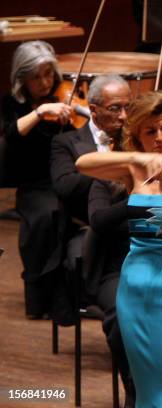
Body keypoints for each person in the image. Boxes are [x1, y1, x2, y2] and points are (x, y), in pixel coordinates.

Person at [76, 91, 162, 407]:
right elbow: (83, 163)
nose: (160, 138)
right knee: (148, 386)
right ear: (138, 135)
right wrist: (138, 158)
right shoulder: (135, 169)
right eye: (150, 131)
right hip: (135, 287)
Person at [1, 40, 73, 318]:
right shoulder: (12, 104)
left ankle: (73, 295)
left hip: (66, 179)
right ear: (22, 78)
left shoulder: (64, 97)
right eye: (36, 77)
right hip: (35, 186)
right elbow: (9, 135)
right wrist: (40, 112)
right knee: (46, 216)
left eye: (48, 74)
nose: (45, 83)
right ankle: (42, 298)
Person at [51, 74, 132, 224]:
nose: (124, 116)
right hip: (86, 225)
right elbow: (65, 188)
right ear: (93, 110)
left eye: (128, 107)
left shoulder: (136, 138)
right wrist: (108, 164)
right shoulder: (65, 142)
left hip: (131, 224)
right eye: (115, 108)